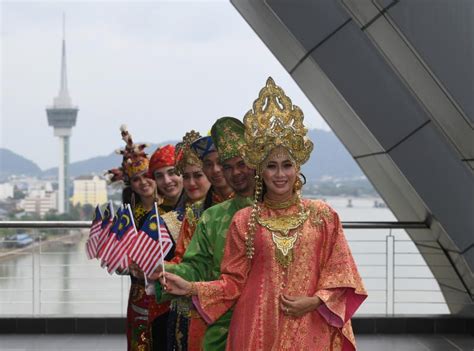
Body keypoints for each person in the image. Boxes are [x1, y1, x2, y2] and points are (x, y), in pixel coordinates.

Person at [160, 78, 368, 351]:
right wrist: (190, 288)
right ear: (261, 170)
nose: (280, 174)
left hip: (310, 325)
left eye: (286, 165)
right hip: (256, 327)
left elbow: (341, 273)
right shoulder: (244, 220)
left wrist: (316, 300)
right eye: (271, 166)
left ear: (297, 168)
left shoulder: (323, 216)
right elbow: (232, 283)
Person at [151, 117, 255, 350]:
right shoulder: (210, 217)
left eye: (238, 164)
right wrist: (161, 270)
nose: (224, 171)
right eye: (222, 165)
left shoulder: (288, 211)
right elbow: (195, 265)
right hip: (217, 318)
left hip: (270, 319)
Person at [107, 125, 176, 351]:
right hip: (139, 294)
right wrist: (128, 267)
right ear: (131, 185)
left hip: (172, 292)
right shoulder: (126, 217)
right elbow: (114, 259)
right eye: (136, 179)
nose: (143, 182)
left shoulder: (174, 211)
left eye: (146, 176)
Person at [166, 131, 234, 351]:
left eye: (222, 163)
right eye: (209, 164)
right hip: (203, 307)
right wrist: (157, 268)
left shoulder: (256, 207)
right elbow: (189, 264)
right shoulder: (198, 213)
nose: (215, 170)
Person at [149, 144, 184, 214]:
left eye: (172, 172)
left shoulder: (203, 208)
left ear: (183, 173)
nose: (167, 181)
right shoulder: (153, 218)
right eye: (159, 176)